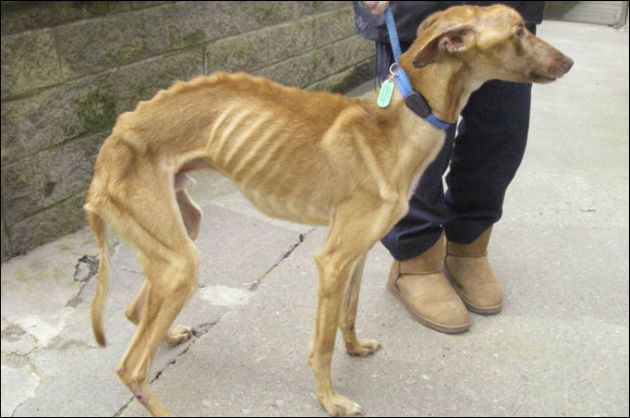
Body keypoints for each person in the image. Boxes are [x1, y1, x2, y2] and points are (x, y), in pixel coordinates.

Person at [353, 1, 544, 333]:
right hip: (415, 10)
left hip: (505, 15)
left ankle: (469, 247)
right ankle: (415, 259)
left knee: (501, 134)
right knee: (415, 143)